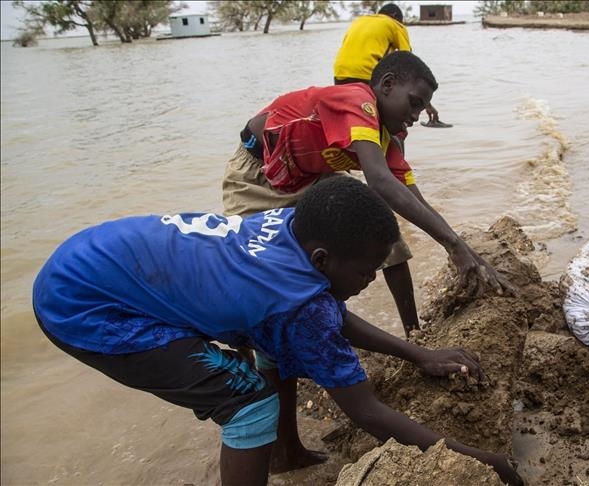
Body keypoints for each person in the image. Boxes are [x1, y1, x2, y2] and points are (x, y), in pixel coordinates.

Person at [32, 176, 524, 486]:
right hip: (87, 307)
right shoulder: (298, 305)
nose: (373, 279)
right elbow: (366, 411)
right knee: (249, 404)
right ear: (322, 259)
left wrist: (417, 354)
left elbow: (323, 313)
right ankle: (267, 453)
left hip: (94, 257)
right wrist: (484, 462)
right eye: (367, 270)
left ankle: (284, 454)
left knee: (271, 343)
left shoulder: (294, 225)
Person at [223, 50, 510, 339]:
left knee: (383, 234)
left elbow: (416, 200)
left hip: (314, 177)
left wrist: (469, 254)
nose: (415, 117)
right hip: (257, 176)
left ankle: (414, 334)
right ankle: (245, 354)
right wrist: (453, 246)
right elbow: (379, 181)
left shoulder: (388, 136)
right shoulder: (356, 101)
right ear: (387, 84)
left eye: (422, 110)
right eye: (414, 103)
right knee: (251, 270)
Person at [333, 3, 441, 124]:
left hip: (339, 74)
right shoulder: (395, 25)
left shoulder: (358, 22)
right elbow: (409, 63)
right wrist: (426, 104)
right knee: (386, 119)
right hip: (365, 75)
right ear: (394, 16)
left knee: (352, 118)